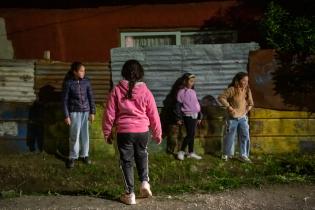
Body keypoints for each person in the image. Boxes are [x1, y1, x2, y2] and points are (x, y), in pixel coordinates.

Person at [102, 59, 162, 205]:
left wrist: (107, 132)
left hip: (124, 132)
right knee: (142, 155)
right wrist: (157, 132)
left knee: (126, 161)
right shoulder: (146, 91)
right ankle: (144, 183)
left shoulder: (116, 90)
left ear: (124, 73)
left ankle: (130, 193)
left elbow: (109, 113)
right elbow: (153, 113)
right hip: (142, 131)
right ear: (140, 74)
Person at [62, 61, 96, 168]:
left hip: (86, 112)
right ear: (75, 72)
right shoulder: (68, 83)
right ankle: (72, 157)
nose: (83, 73)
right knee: (74, 135)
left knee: (85, 135)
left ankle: (85, 155)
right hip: (74, 112)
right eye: (81, 71)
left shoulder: (86, 82)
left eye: (84, 71)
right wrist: (66, 115)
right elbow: (64, 101)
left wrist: (92, 112)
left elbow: (91, 97)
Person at [218, 72, 254, 163]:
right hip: (232, 118)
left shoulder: (247, 90)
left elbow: (251, 103)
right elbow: (221, 97)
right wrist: (229, 107)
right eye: (244, 80)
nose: (246, 82)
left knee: (245, 136)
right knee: (229, 136)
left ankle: (243, 155)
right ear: (238, 81)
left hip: (243, 118)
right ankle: (226, 154)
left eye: (247, 81)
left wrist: (246, 110)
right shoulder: (232, 89)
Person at [175, 73, 202, 161]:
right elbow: (178, 105)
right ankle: (181, 151)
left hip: (195, 115)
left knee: (192, 134)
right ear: (185, 81)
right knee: (190, 134)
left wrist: (199, 116)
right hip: (188, 115)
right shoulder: (181, 92)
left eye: (193, 81)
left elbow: (196, 104)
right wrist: (178, 117)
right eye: (191, 81)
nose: (192, 83)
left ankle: (191, 152)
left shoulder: (193, 92)